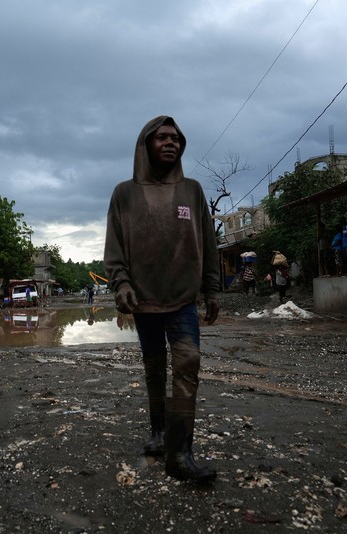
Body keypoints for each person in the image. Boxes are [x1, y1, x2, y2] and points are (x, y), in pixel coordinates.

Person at [104, 115, 219, 483]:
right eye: (162, 138)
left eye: (176, 138)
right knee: (155, 368)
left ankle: (180, 454)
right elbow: (115, 247)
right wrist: (120, 284)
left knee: (188, 365)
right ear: (146, 145)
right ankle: (157, 433)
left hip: (184, 299)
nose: (171, 143)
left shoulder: (193, 191)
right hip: (143, 301)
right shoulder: (125, 193)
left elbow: (209, 243)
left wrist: (212, 289)